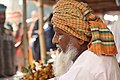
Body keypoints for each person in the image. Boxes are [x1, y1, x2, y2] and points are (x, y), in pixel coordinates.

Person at [51, 0, 120, 80]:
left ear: (80, 38)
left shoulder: (86, 65)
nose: (54, 40)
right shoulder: (100, 57)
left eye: (59, 34)